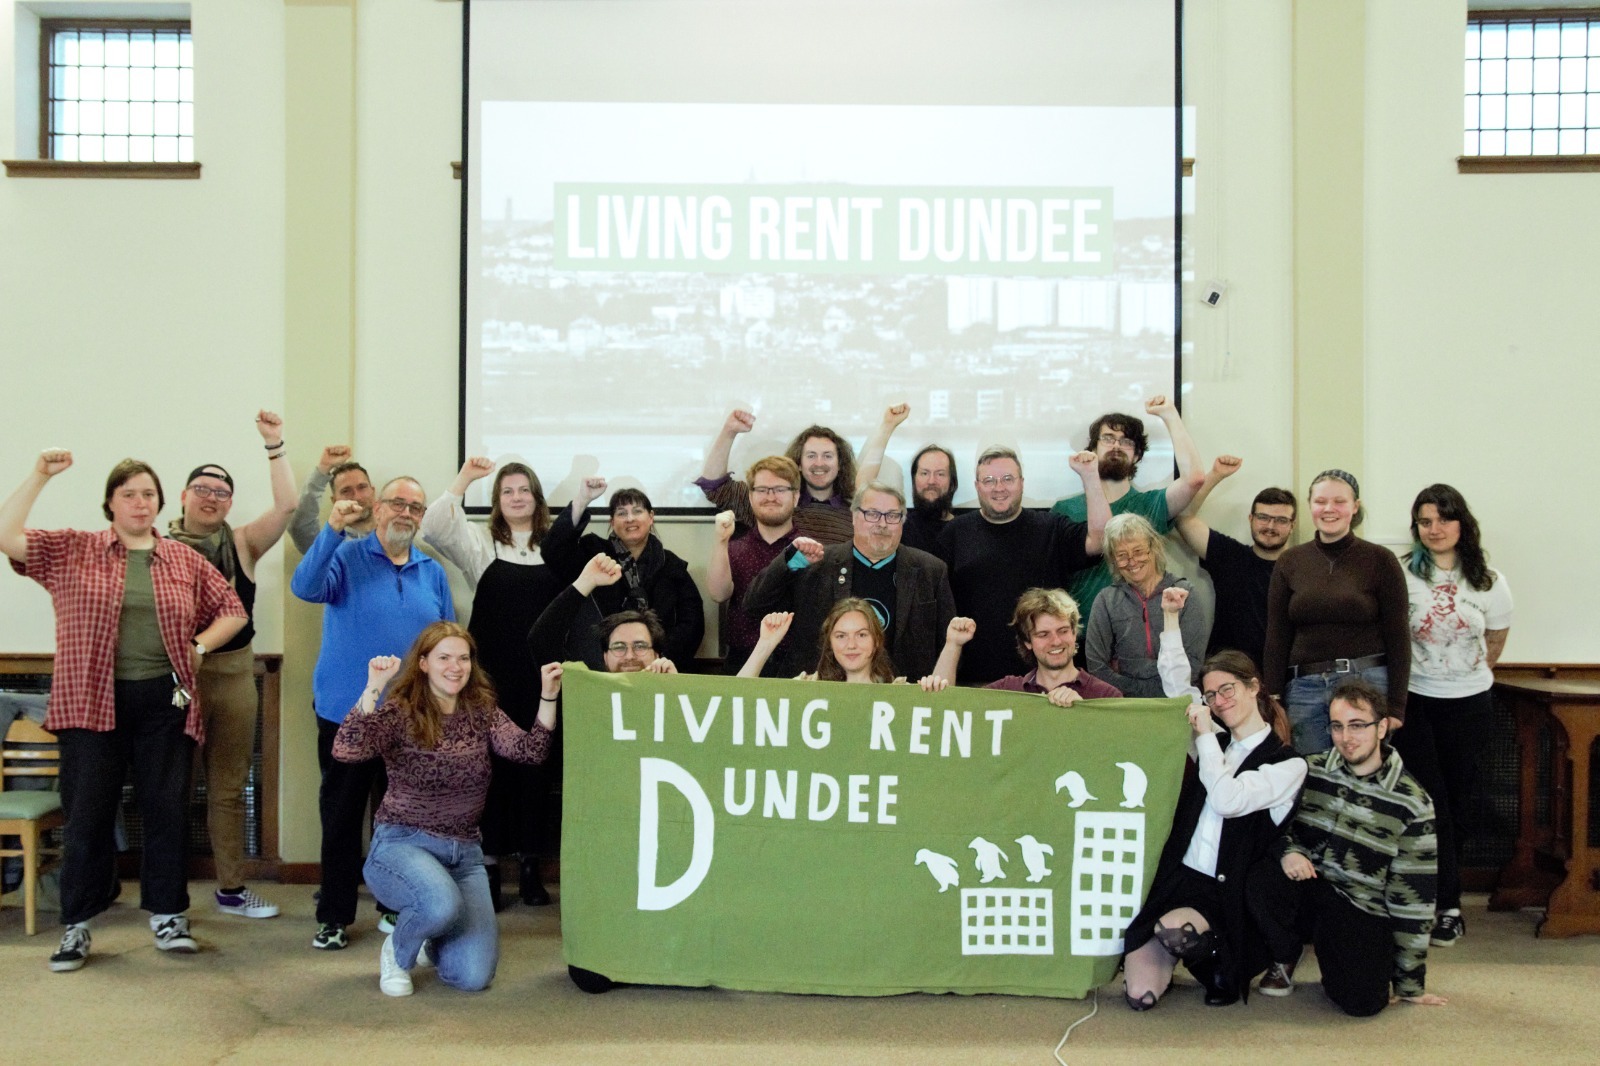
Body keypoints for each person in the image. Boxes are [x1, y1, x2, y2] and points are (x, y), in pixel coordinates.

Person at [1, 451, 246, 972]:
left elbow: (232, 611)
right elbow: (7, 536)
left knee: (166, 810)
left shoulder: (182, 559)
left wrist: (199, 647)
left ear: (160, 502)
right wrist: (40, 475)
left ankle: (168, 916)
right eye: (129, 494)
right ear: (110, 503)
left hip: (165, 703)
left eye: (148, 494)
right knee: (87, 815)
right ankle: (77, 925)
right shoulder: (73, 549)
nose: (140, 503)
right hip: (90, 700)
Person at [334, 622, 556, 996]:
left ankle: (431, 936)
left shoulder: (481, 710)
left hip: (464, 854)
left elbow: (530, 752)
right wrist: (374, 685)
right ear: (423, 663)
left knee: (473, 977)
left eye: (463, 658)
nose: (456, 667)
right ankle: (398, 952)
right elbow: (348, 748)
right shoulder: (401, 712)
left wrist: (548, 696)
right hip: (402, 844)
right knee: (439, 904)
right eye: (444, 658)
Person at [1120, 587, 1306, 1010]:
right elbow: (1176, 684)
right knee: (1139, 995)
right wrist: (1170, 618)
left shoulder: (1287, 763)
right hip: (1180, 875)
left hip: (1223, 887)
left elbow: (1227, 800)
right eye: (1211, 696)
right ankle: (1175, 950)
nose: (1219, 702)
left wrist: (1204, 735)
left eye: (1228, 690)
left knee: (1175, 934)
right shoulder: (1216, 739)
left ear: (1254, 687)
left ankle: (1218, 959)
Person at [292, 475, 455, 950]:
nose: (406, 512)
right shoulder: (345, 556)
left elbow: (447, 644)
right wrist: (331, 529)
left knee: (401, 822)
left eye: (415, 507)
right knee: (341, 816)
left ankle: (394, 905)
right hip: (348, 715)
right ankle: (334, 916)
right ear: (378, 508)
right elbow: (305, 587)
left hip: (412, 720)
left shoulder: (432, 571)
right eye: (397, 503)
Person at [1251, 676, 1444, 1016]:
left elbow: (1413, 896)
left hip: (1357, 905)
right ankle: (1284, 954)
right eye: (1337, 726)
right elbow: (1269, 826)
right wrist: (1287, 850)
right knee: (1260, 873)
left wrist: (1409, 982)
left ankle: (1335, 956)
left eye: (1357, 725)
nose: (1346, 737)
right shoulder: (1307, 769)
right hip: (1303, 887)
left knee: (1363, 1002)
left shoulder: (1413, 802)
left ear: (1381, 727)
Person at [171, 410, 298, 920]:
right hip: (175, 679)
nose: (211, 497)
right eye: (201, 489)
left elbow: (287, 505)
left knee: (227, 787)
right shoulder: (157, 548)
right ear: (183, 496)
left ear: (229, 502)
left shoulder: (242, 542)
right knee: (170, 786)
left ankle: (231, 888)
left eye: (221, 492)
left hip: (232, 675)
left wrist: (274, 444)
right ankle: (166, 898)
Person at [421, 457, 564, 907]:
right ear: (497, 501)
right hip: (489, 678)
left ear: (537, 498)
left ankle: (531, 867)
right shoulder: (481, 544)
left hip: (542, 679)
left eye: (524, 490)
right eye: (507, 491)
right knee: (489, 771)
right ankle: (488, 867)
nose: (516, 498)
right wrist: (464, 478)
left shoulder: (556, 547)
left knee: (538, 771)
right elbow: (434, 527)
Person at [1392, 484, 1512, 947]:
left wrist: (1464, 676)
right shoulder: (1402, 573)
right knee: (1430, 803)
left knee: (1460, 803)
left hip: (1470, 704)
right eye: (1425, 521)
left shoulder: (1489, 581)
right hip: (1417, 702)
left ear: (1463, 524)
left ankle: (1450, 907)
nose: (1435, 529)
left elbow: (1495, 640)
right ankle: (1435, 901)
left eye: (1444, 519)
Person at [1262, 469, 1410, 754]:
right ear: (1310, 506)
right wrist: (1274, 699)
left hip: (1365, 684)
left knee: (1362, 769)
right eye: (1320, 501)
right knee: (1310, 771)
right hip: (1305, 688)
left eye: (1339, 501)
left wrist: (1396, 706)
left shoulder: (1381, 560)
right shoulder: (1290, 561)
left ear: (1355, 507)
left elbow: (1399, 636)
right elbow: (1277, 636)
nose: (1329, 509)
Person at [743, 482, 955, 681]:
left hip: (904, 695)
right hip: (823, 691)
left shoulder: (931, 571)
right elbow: (754, 605)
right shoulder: (816, 563)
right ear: (853, 516)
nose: (882, 524)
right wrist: (789, 562)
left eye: (892, 516)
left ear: (902, 521)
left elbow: (949, 643)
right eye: (872, 514)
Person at [937, 447, 1109, 684]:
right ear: (977, 486)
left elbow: (1100, 541)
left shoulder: (1051, 528)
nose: (999, 487)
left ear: (1022, 483)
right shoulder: (954, 534)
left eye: (1008, 479)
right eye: (989, 480)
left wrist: (1090, 476)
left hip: (1045, 683)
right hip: (976, 682)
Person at [1052, 396, 1204, 620]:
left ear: (1137, 455)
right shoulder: (1065, 509)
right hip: (1078, 629)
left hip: (1137, 630)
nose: (1116, 445)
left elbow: (1194, 479)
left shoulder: (1151, 505)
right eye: (1108, 438)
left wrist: (1170, 415)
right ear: (1093, 448)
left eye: (1126, 442)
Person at [541, 481, 704, 667]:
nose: (630, 519)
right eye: (621, 513)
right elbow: (552, 550)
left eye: (637, 511)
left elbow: (692, 622)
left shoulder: (671, 565)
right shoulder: (593, 555)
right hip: (599, 667)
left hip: (657, 670)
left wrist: (659, 658)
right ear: (612, 522)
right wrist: (582, 500)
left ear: (651, 517)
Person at [695, 405, 902, 545]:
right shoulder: (775, 502)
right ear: (799, 464)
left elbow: (865, 483)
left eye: (827, 456)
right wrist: (729, 431)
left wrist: (887, 427)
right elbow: (715, 486)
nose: (819, 463)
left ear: (840, 465)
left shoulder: (856, 511)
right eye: (811, 456)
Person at [1172, 455, 1295, 667]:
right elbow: (1183, 517)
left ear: (1292, 525)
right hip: (1225, 671)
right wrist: (1215, 475)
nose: (1270, 526)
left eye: (1281, 520)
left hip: (1282, 675)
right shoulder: (1230, 556)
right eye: (1263, 517)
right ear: (1251, 519)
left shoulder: (1302, 568)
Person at [1084, 513, 1206, 698]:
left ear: (1154, 547)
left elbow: (1193, 664)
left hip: (1176, 700)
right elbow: (1096, 668)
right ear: (1113, 561)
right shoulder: (1106, 600)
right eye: (1122, 556)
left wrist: (1151, 690)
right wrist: (1140, 693)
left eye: (1138, 551)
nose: (1132, 562)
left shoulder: (1184, 594)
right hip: (1124, 703)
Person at [707, 456, 801, 674]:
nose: (770, 497)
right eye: (762, 490)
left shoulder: (810, 550)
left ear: (795, 497)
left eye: (779, 489)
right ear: (750, 497)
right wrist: (721, 541)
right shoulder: (734, 548)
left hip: (794, 664)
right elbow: (718, 594)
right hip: (741, 662)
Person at [528, 553, 682, 677]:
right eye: (619, 647)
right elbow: (542, 639)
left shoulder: (672, 691)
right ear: (605, 657)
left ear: (656, 654)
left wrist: (676, 688)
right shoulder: (586, 688)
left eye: (640, 646)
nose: (629, 656)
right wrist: (587, 581)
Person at [981, 588, 1122, 705]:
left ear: (1074, 633)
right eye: (1043, 635)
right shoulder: (1006, 690)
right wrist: (964, 644)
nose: (1056, 641)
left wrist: (1083, 712)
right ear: (1027, 642)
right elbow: (967, 709)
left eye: (1063, 631)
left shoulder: (1107, 696)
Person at [288, 446, 377, 552]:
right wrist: (323, 468)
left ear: (373, 491)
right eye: (346, 491)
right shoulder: (327, 546)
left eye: (362, 487)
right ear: (334, 501)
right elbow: (300, 526)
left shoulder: (391, 535)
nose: (356, 497)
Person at [901, 444, 958, 554]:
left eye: (940, 474)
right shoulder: (900, 527)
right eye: (924, 473)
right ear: (914, 480)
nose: (931, 481)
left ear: (952, 482)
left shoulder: (964, 531)